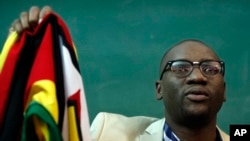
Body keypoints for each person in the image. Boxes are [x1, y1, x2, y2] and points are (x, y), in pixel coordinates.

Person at [9, 6, 229, 141]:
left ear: (224, 90)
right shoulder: (108, 132)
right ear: (159, 89)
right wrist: (24, 67)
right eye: (180, 68)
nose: (197, 77)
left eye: (210, 69)